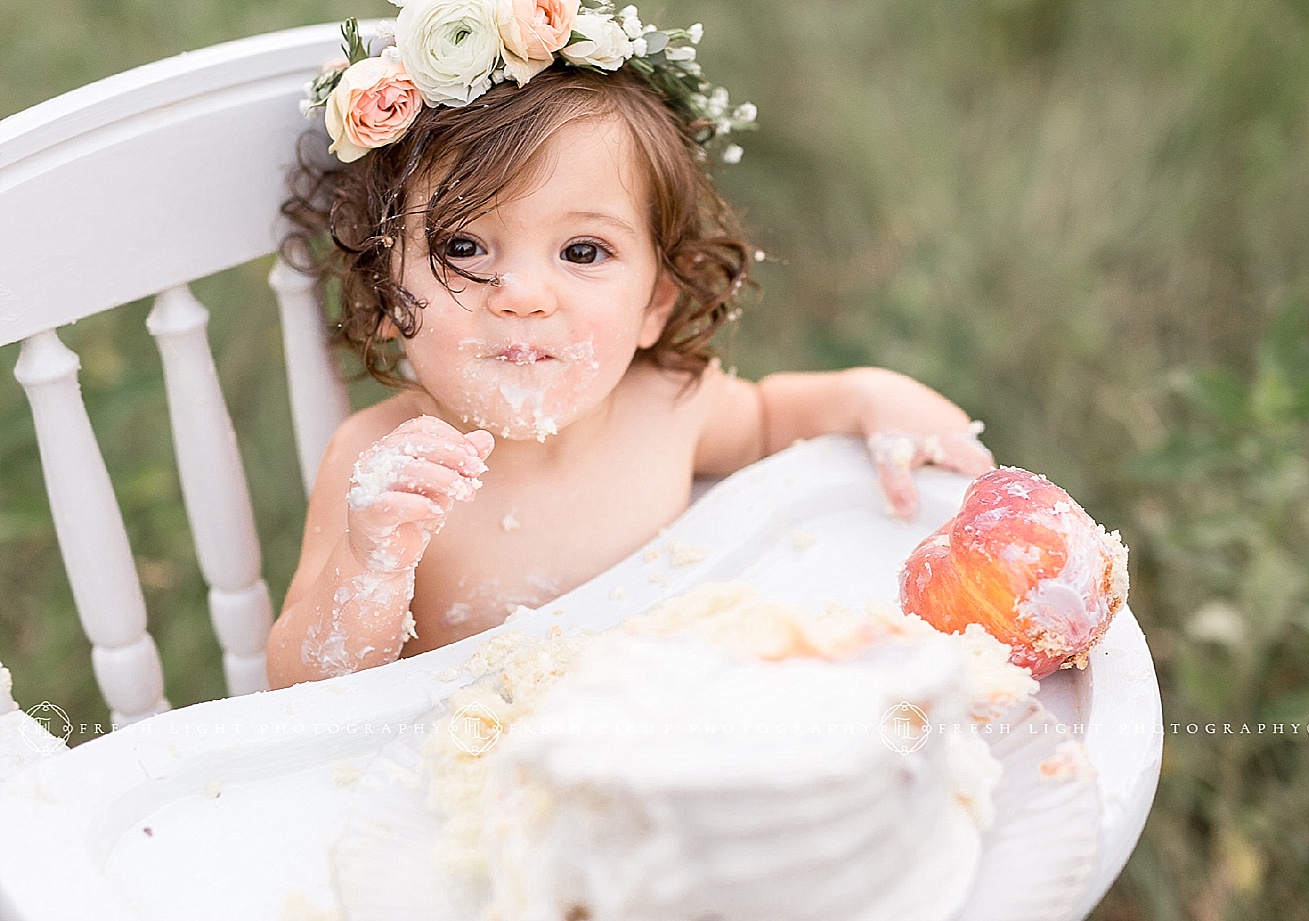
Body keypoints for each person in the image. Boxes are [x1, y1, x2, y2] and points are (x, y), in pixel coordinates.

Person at [266, 3, 992, 688]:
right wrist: (369, 565)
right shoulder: (381, 467)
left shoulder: (669, 406)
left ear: (655, 302)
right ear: (388, 297)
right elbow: (300, 685)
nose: (524, 293)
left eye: (582, 251)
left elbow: (774, 419)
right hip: (477, 781)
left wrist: (869, 394)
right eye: (463, 245)